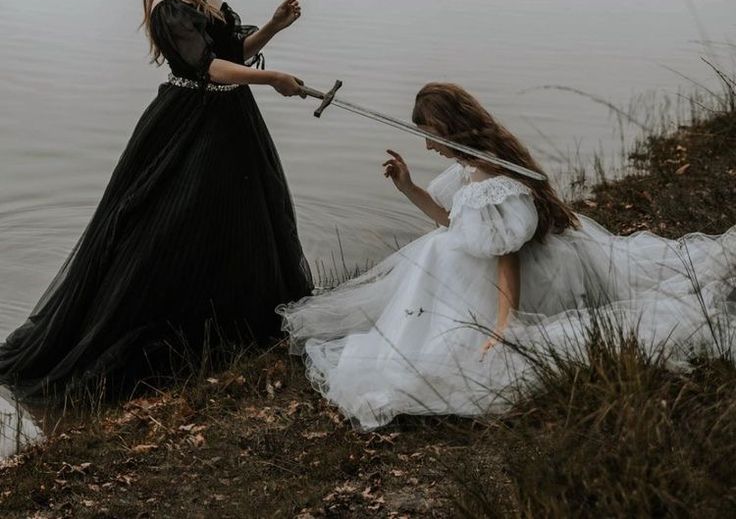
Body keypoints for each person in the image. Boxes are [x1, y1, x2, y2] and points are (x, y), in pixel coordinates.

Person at [278, 83, 736, 430]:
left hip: (521, 278)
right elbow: (454, 222)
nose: (425, 144)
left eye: (427, 135)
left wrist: (504, 324)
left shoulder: (489, 174)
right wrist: (409, 187)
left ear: (446, 128)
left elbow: (505, 254)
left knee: (439, 256)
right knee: (439, 249)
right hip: (481, 267)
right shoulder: (472, 165)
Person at [0, 0, 313, 401]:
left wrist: (273, 26)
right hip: (188, 127)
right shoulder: (167, 4)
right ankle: (165, 339)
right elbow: (207, 68)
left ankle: (232, 333)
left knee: (238, 223)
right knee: (169, 228)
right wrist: (272, 78)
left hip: (232, 125)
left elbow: (234, 50)